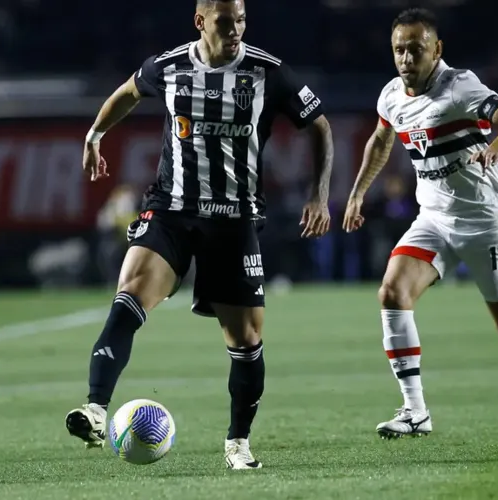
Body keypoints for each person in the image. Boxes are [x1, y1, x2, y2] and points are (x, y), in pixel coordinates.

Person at [66, 0, 334, 469]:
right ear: (201, 21)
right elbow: (128, 92)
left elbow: (321, 127)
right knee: (129, 295)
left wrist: (319, 195)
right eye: (226, 22)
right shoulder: (167, 67)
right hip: (170, 210)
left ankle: (237, 443)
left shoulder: (268, 71)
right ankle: (94, 407)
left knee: (246, 340)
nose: (236, 30)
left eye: (242, 21)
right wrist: (95, 134)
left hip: (234, 221)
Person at [342, 8, 498, 439]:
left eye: (416, 50)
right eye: (399, 50)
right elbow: (381, 139)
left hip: (486, 221)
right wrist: (358, 191)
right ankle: (415, 410)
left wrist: (495, 148)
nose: (406, 59)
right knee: (393, 291)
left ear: (436, 49)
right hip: (435, 219)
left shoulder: (459, 86)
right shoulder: (391, 96)